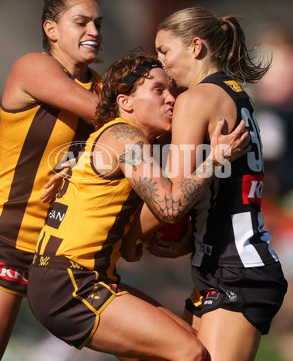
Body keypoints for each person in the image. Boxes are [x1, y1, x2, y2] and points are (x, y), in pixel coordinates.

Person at [27, 50, 250, 361]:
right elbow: (170, 207)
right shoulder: (124, 136)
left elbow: (131, 249)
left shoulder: (118, 139)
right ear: (125, 102)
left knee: (188, 342)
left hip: (80, 278)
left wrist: (138, 238)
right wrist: (215, 158)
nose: (171, 99)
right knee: (190, 353)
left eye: (172, 90)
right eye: (158, 90)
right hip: (70, 283)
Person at [0, 0, 105, 361]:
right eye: (81, 22)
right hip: (7, 236)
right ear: (51, 30)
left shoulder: (101, 87)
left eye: (98, 24)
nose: (94, 32)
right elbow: (109, 117)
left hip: (63, 252)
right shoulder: (34, 68)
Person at [153, 7, 288, 361]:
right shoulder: (234, 93)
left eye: (164, 51)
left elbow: (173, 198)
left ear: (195, 46)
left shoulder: (194, 99)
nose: (159, 62)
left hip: (236, 270)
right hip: (227, 266)